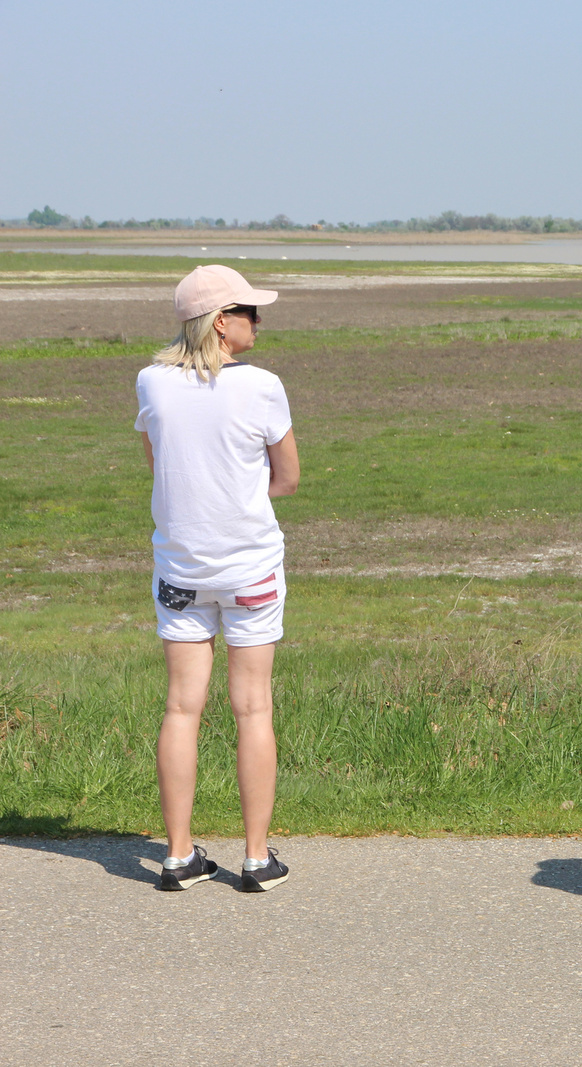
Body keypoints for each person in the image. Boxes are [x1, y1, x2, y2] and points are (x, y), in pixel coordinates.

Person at [137, 264, 299, 892]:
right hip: (251, 569)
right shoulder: (262, 386)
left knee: (182, 707)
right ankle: (256, 859)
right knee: (252, 707)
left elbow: (159, 467)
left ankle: (179, 856)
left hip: (180, 569)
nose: (258, 320)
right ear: (222, 322)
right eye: (249, 311)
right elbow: (287, 476)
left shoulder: (151, 381)